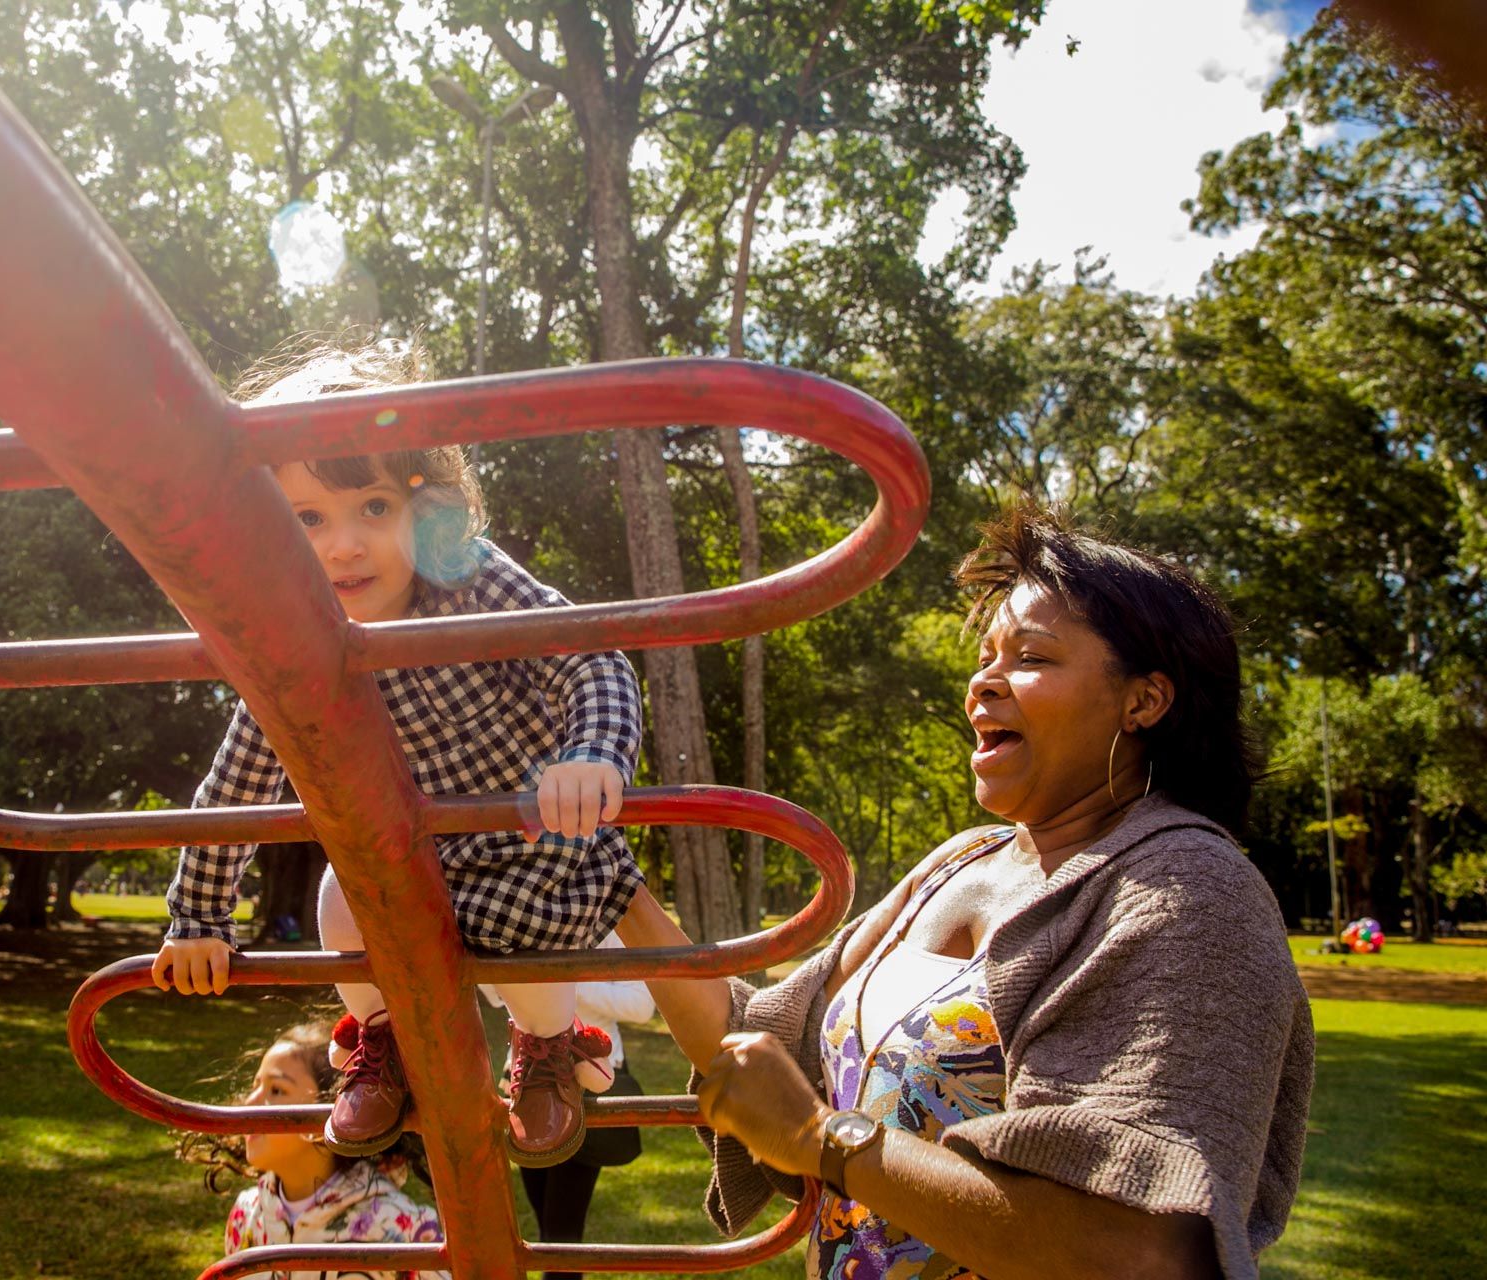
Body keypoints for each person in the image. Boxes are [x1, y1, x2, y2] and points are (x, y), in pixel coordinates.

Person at [618, 504, 1314, 1280]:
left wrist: (822, 1139)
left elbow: (1142, 1252)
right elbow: (758, 1047)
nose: (983, 681)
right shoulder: (963, 861)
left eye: (1032, 657)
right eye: (986, 656)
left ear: (1144, 700)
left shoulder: (1190, 892)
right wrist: (613, 879)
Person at [154, 337, 643, 1169]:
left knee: (521, 942)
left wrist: (591, 752)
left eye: (373, 508)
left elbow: (586, 655)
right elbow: (237, 780)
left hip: (530, 844)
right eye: (308, 519)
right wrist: (199, 919)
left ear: (428, 511)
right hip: (409, 852)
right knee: (344, 897)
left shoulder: (469, 580)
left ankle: (550, 1047)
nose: (345, 546)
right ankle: (378, 1045)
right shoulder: (291, 646)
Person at [178, 1020, 449, 1280]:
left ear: (330, 1109)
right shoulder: (247, 1214)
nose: (250, 1103)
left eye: (276, 1090)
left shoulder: (402, 1226)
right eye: (255, 1086)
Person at [482, 935, 654, 1279]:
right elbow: (494, 994)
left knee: (562, 1231)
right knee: (547, 1220)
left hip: (589, 1083)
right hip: (526, 1081)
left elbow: (642, 1004)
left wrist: (560, 984)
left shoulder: (602, 927)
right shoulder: (515, 924)